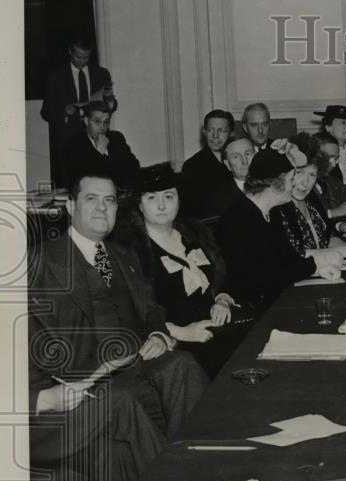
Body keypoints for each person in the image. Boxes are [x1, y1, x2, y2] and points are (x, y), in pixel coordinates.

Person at [28, 169, 209, 481]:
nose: (102, 208)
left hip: (136, 368)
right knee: (122, 404)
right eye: (91, 199)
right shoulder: (41, 263)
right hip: (86, 384)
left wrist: (157, 334)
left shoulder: (123, 256)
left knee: (182, 365)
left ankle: (196, 470)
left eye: (109, 201)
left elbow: (151, 309)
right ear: (70, 206)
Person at [122, 164, 247, 379]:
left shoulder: (197, 233)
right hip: (176, 340)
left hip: (216, 328)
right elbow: (132, 312)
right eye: (152, 198)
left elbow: (224, 277)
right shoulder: (130, 251)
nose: (161, 205)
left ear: (179, 202)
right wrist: (183, 332)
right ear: (140, 206)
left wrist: (222, 300)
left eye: (169, 197)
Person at [217, 142, 342, 311]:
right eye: (291, 179)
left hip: (277, 298)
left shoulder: (271, 212)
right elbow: (263, 278)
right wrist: (316, 263)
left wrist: (319, 269)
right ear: (275, 184)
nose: (294, 185)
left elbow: (288, 258)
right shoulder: (239, 220)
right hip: (254, 308)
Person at [40, 33, 118, 187]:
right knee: (71, 186)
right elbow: (46, 111)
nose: (82, 61)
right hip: (68, 140)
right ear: (70, 51)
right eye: (78, 57)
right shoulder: (56, 77)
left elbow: (111, 107)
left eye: (86, 57)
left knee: (96, 182)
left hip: (96, 139)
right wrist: (65, 111)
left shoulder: (101, 74)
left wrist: (109, 98)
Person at [272, 133, 346, 256]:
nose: (305, 183)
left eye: (312, 175)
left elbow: (328, 238)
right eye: (299, 173)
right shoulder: (278, 210)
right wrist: (344, 251)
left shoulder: (312, 201)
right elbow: (293, 256)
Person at [67, 101, 140, 190]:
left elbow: (133, 168)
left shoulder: (116, 138)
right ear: (86, 121)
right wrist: (99, 153)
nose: (102, 127)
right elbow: (82, 180)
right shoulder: (75, 144)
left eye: (106, 122)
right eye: (97, 121)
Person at [180, 109, 236, 217]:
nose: (215, 136)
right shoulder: (191, 166)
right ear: (204, 132)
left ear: (231, 134)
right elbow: (190, 213)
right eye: (210, 130)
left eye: (221, 131)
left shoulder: (240, 160)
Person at [205, 136, 254, 218]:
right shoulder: (217, 200)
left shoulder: (270, 187)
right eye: (236, 157)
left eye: (248, 154)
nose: (244, 161)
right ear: (227, 164)